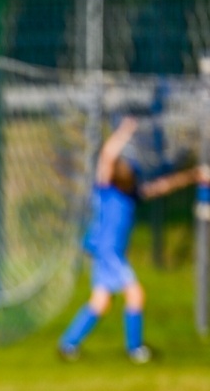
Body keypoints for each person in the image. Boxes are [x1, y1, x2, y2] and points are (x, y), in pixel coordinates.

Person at [58, 116, 209, 362]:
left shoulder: (131, 195)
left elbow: (163, 185)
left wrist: (193, 175)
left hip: (106, 254)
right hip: (108, 253)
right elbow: (107, 156)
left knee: (100, 302)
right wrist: (125, 131)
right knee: (136, 294)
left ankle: (68, 344)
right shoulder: (106, 191)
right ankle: (135, 349)